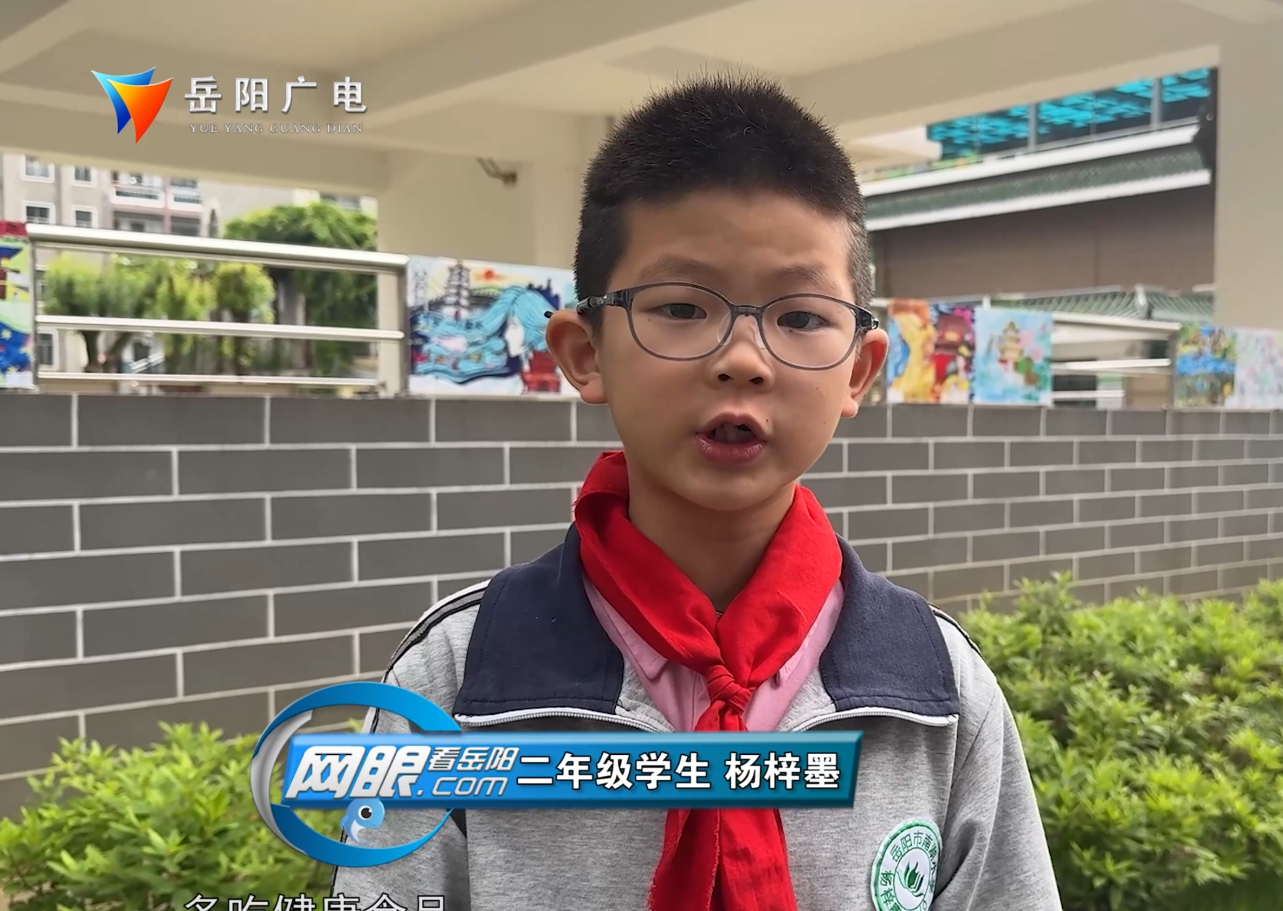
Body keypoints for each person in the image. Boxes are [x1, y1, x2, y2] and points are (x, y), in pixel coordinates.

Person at [332, 74, 1062, 911]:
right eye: (680, 307)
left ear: (859, 370)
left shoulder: (936, 691)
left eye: (800, 316)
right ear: (584, 354)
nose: (742, 358)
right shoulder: (457, 679)